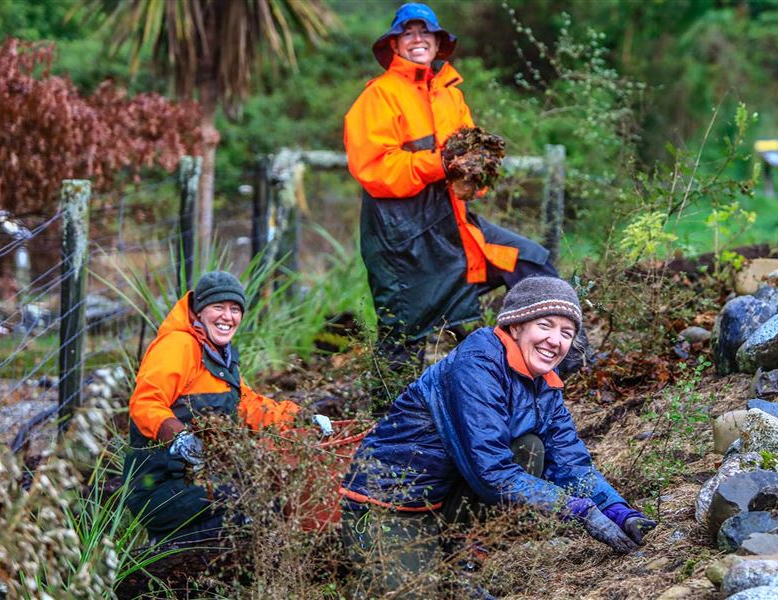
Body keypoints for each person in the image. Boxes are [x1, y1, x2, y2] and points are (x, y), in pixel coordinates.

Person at [339, 276, 657, 597]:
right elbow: (492, 473)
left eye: (567, 333)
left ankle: (459, 552)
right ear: (515, 326)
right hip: (386, 503)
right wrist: (579, 510)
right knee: (414, 593)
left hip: (444, 498)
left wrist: (619, 512)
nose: (555, 340)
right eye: (545, 325)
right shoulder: (477, 364)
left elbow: (570, 462)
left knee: (529, 448)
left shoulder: (544, 380)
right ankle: (395, 572)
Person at [343, 3, 561, 366]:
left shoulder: (450, 93)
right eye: (408, 33)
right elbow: (375, 170)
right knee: (403, 331)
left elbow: (473, 160)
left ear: (437, 42)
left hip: (454, 225)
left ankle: (561, 366)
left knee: (530, 262)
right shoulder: (378, 96)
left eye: (425, 32)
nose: (417, 39)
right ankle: (392, 420)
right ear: (394, 44)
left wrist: (477, 175)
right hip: (401, 237)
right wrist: (440, 162)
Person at [123, 271, 332, 544]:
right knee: (244, 504)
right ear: (199, 311)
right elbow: (145, 402)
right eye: (218, 307)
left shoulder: (220, 354)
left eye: (235, 309)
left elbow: (247, 404)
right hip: (158, 488)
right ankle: (165, 548)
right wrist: (178, 436)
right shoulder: (178, 345)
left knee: (265, 497)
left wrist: (302, 418)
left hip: (197, 481)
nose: (227, 316)